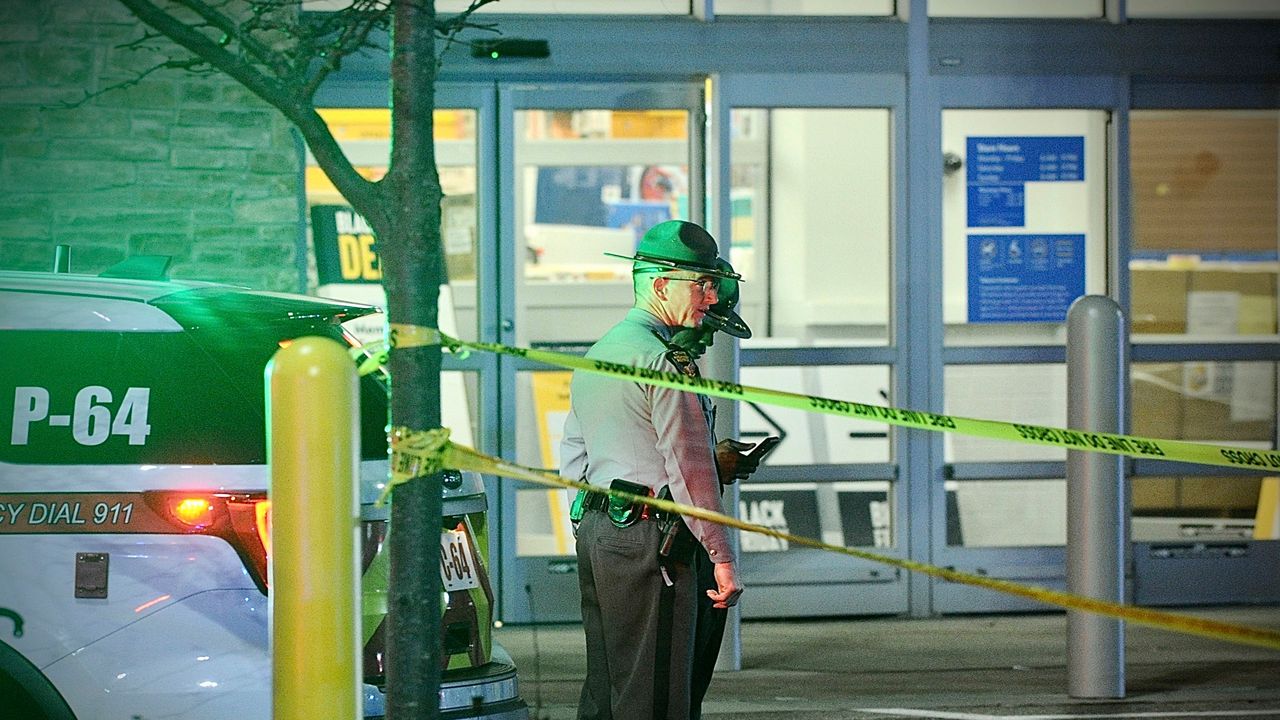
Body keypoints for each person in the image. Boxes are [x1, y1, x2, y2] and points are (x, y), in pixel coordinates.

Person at [559, 220, 760, 720]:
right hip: (658, 540)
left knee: (608, 687)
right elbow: (690, 471)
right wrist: (723, 556)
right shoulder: (664, 362)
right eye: (703, 284)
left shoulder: (600, 353)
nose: (711, 298)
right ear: (659, 283)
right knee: (660, 696)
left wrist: (589, 527)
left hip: (604, 535)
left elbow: (574, 453)